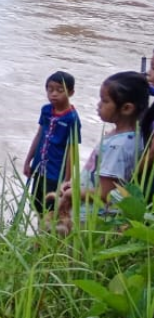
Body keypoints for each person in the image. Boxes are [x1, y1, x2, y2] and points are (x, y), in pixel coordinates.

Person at [54, 71, 148, 234]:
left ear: (126, 108)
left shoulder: (117, 146)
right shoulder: (132, 137)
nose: (99, 105)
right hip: (96, 216)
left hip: (92, 219)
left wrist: (72, 193)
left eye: (105, 101)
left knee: (73, 255)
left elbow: (106, 194)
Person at [22, 71, 81, 215]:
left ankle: (48, 235)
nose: (53, 94)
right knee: (37, 205)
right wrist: (28, 161)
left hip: (55, 174)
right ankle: (39, 234)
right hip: (39, 169)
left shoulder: (72, 119)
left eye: (60, 90)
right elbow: (39, 135)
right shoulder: (46, 110)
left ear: (71, 92)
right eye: (50, 89)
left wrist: (67, 180)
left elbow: (71, 151)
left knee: (52, 210)